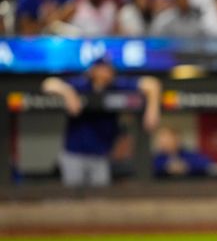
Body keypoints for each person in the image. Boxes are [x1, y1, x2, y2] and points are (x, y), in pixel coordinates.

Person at [41, 55, 161, 187]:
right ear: (92, 71)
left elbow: (152, 84)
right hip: (74, 155)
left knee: (100, 200)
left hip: (100, 156)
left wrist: (152, 108)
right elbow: (48, 84)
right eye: (100, 69)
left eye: (107, 69)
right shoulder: (81, 84)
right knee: (72, 200)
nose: (104, 73)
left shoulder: (116, 85)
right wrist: (68, 93)